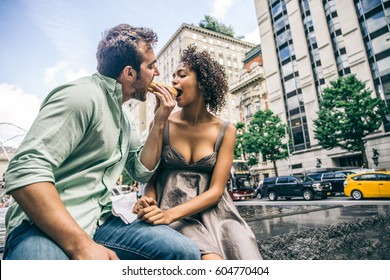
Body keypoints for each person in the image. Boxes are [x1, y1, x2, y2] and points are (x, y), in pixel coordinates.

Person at [3, 24, 200, 260]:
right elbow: (25, 170)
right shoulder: (82, 96)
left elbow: (141, 171)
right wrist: (81, 246)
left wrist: (159, 121)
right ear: (129, 73)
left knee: (183, 252)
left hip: (99, 221)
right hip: (41, 225)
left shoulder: (123, 119)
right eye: (150, 66)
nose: (157, 73)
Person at [133, 45, 262, 260]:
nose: (173, 81)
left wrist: (167, 215)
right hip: (174, 212)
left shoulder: (227, 130)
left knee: (247, 254)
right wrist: (150, 203)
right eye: (173, 76)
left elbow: (216, 190)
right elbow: (150, 180)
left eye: (182, 75)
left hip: (217, 214)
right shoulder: (162, 122)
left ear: (202, 83)